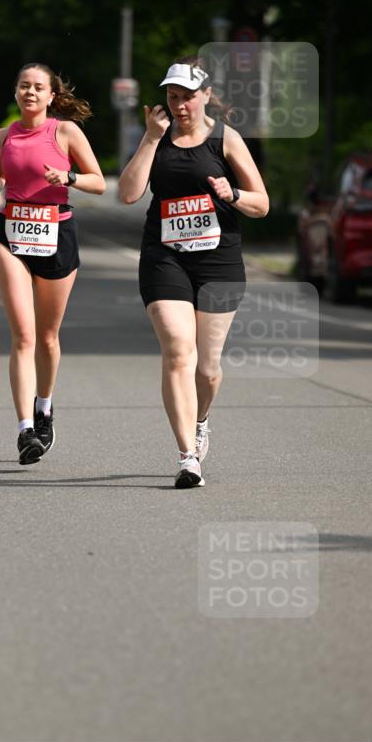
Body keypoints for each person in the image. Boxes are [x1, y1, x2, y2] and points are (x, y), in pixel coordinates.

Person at [119, 57, 269, 488]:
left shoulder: (225, 139)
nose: (180, 105)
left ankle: (201, 420)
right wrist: (149, 139)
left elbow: (261, 204)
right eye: (172, 97)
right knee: (177, 349)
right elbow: (129, 194)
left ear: (205, 96)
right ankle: (187, 456)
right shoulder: (156, 137)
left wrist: (233, 192)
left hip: (218, 260)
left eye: (187, 96)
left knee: (207, 368)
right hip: (164, 257)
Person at [0, 63, 106, 465]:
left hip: (57, 234)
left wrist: (66, 177)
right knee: (23, 335)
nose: (30, 92)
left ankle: (44, 407)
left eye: (38, 88)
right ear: (15, 93)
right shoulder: (3, 136)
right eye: (23, 86)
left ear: (52, 96)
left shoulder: (65, 132)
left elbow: (99, 181)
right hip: (12, 233)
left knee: (48, 337)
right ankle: (25, 430)